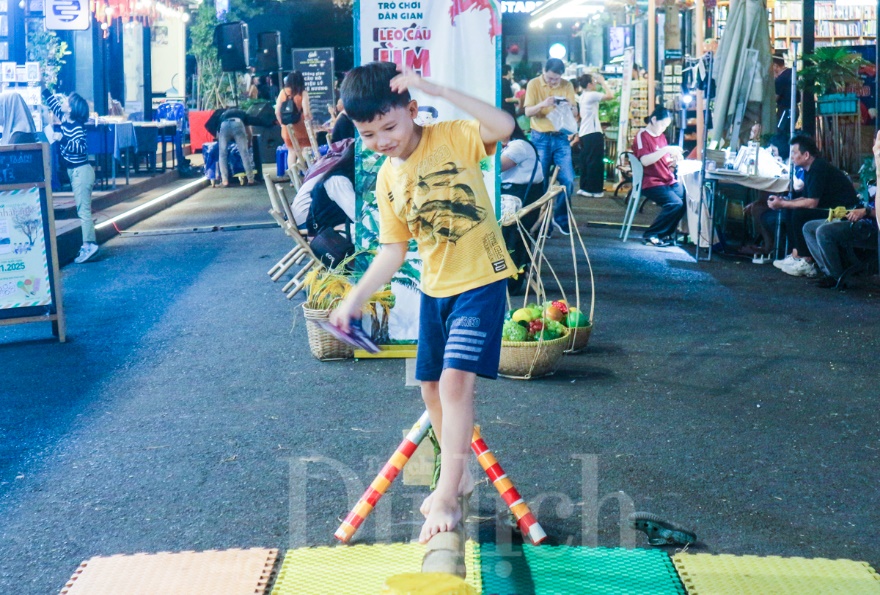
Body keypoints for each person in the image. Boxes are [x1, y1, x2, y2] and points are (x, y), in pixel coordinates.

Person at [330, 61, 515, 544]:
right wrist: (355, 297)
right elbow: (394, 251)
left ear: (413, 110)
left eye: (389, 126)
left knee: (455, 386)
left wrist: (434, 85)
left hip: (481, 281)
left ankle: (448, 492)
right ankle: (464, 475)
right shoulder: (386, 180)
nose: (382, 141)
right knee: (430, 389)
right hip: (435, 290)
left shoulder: (453, 136)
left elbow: (504, 126)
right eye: (369, 135)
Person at [770, 134, 859, 277]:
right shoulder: (810, 169)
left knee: (800, 213)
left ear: (805, 155)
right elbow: (806, 197)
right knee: (789, 210)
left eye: (794, 152)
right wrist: (783, 202)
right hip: (830, 209)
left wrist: (784, 203)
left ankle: (807, 260)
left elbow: (812, 203)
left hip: (843, 213)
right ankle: (796, 254)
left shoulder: (818, 168)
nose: (791, 156)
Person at [43, 88, 98, 263]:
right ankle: (87, 244)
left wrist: (62, 139)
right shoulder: (65, 118)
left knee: (83, 210)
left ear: (72, 109)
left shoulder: (78, 128)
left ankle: (90, 244)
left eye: (67, 101)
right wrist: (44, 88)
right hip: (74, 171)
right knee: (82, 209)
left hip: (81, 171)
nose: (64, 102)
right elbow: (53, 102)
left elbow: (81, 148)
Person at [524, 58, 578, 235]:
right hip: (540, 137)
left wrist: (570, 107)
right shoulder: (534, 84)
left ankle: (560, 217)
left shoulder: (567, 85)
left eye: (557, 79)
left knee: (568, 179)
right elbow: (528, 112)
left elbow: (575, 111)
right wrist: (543, 104)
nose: (554, 82)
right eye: (550, 78)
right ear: (544, 71)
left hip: (561, 137)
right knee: (542, 182)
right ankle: (542, 223)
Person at [631, 106, 686, 247]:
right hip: (651, 181)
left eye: (665, 126)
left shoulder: (661, 137)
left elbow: (663, 159)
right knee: (675, 203)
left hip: (666, 179)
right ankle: (652, 234)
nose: (663, 129)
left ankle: (665, 233)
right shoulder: (642, 135)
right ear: (654, 119)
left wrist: (673, 159)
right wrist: (666, 150)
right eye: (662, 125)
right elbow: (645, 160)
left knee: (685, 200)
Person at [576, 73, 614, 198]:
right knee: (595, 161)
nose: (596, 83)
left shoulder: (582, 96)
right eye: (594, 81)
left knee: (586, 160)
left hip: (584, 132)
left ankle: (584, 186)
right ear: (589, 84)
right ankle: (595, 190)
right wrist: (603, 82)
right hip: (593, 132)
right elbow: (610, 96)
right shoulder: (591, 95)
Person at [275, 71, 312, 170]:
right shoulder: (302, 93)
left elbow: (277, 111)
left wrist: (283, 124)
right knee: (305, 150)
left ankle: (293, 177)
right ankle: (302, 170)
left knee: (291, 152)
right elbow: (307, 113)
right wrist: (310, 123)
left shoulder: (283, 92)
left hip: (287, 128)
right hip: (301, 127)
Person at [216, 107, 256, 187]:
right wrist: (249, 142)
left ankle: (225, 181)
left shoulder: (223, 115)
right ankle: (250, 179)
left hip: (224, 125)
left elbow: (218, 133)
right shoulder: (241, 113)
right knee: (244, 153)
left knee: (222, 154)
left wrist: (221, 142)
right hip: (238, 123)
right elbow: (248, 130)